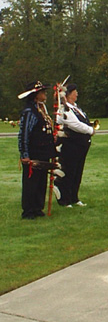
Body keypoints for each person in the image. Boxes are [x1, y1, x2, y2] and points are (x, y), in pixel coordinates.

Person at [17, 81, 56, 219]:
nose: (45, 94)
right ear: (36, 95)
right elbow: (24, 134)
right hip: (33, 154)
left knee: (40, 182)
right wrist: (25, 154)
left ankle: (38, 208)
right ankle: (29, 210)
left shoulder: (42, 109)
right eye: (42, 92)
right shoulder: (29, 111)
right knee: (31, 183)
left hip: (43, 153)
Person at [53, 83, 96, 207]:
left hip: (80, 145)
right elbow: (74, 124)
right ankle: (64, 199)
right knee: (69, 171)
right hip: (70, 145)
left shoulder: (75, 107)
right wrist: (90, 130)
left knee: (77, 171)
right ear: (68, 94)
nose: (77, 94)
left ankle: (74, 197)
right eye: (75, 92)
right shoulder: (64, 110)